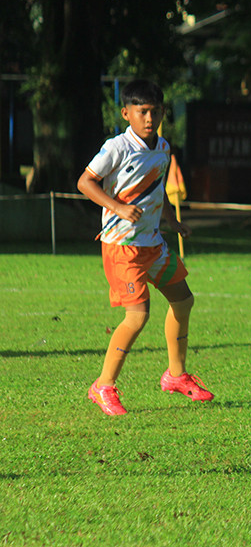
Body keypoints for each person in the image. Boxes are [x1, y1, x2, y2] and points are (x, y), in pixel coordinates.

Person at [77, 79, 213, 416]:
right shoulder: (117, 148)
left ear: (163, 112)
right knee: (137, 316)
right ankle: (103, 386)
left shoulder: (163, 148)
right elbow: (85, 182)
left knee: (183, 301)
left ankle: (176, 376)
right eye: (142, 112)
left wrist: (171, 221)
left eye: (155, 111)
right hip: (122, 246)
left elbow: (157, 188)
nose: (149, 118)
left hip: (153, 243)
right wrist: (118, 207)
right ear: (127, 114)